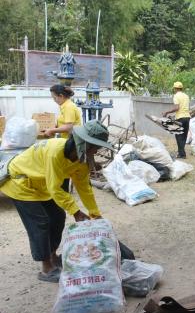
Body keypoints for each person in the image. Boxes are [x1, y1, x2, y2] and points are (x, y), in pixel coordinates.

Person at [0, 120, 113, 283]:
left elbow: (84, 187)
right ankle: (47, 268)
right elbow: (55, 188)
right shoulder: (56, 152)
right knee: (40, 223)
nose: (97, 150)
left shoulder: (82, 161)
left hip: (41, 185)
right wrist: (76, 211)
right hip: (21, 182)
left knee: (58, 217)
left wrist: (95, 214)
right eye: (95, 146)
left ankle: (52, 256)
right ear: (83, 142)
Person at [162, 81, 190, 158]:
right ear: (181, 88)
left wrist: (167, 112)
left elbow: (177, 108)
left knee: (178, 135)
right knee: (184, 135)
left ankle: (182, 154)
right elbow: (184, 107)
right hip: (187, 117)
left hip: (180, 118)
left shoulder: (176, 96)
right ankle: (181, 153)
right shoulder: (186, 96)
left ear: (175, 88)